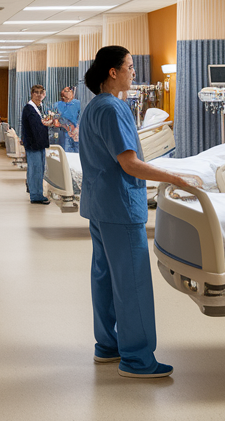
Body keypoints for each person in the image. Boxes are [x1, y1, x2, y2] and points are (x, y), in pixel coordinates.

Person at [80, 45, 190, 379]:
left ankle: (108, 345)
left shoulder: (94, 107)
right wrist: (174, 177)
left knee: (104, 276)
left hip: (99, 206)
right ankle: (137, 359)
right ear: (112, 72)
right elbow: (130, 164)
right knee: (132, 283)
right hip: (120, 208)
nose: (134, 73)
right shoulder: (114, 109)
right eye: (130, 67)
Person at [20, 84, 51, 204]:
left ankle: (35, 191)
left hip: (40, 144)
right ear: (32, 94)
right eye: (36, 92)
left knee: (39, 169)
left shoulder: (40, 108)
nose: (38, 95)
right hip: (33, 144)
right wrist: (46, 123)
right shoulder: (29, 108)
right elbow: (35, 126)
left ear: (44, 95)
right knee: (35, 169)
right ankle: (36, 195)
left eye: (41, 92)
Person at [52, 86, 81, 151]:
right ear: (62, 95)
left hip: (76, 132)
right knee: (65, 152)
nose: (70, 91)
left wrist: (77, 129)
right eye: (66, 90)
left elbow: (81, 116)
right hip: (64, 132)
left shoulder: (78, 103)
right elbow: (55, 119)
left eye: (70, 90)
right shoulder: (57, 105)